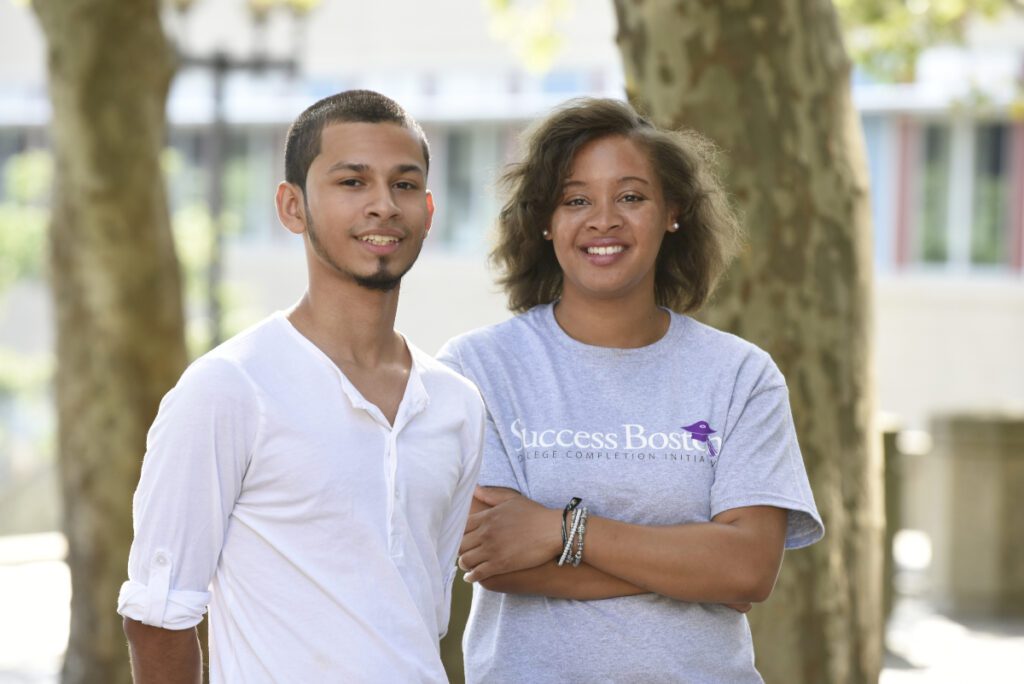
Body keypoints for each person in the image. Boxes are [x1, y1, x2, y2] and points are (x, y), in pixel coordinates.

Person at [437, 98, 824, 683]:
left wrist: (563, 531)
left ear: (673, 212)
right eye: (576, 200)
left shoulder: (742, 375)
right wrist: (696, 569)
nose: (604, 220)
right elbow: (494, 560)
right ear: (546, 220)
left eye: (631, 196)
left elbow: (749, 572)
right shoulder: (477, 368)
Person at [117, 90, 484, 683]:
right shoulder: (229, 389)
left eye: (405, 184)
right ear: (292, 207)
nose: (384, 206)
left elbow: (423, 617)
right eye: (352, 182)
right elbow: (158, 617)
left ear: (430, 209)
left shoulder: (455, 405)